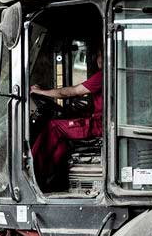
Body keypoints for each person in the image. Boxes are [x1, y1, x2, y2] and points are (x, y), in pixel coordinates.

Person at [30, 49, 103, 187]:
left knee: (54, 127)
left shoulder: (103, 76)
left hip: (99, 126)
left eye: (102, 55)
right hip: (99, 123)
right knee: (61, 142)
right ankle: (48, 178)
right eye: (98, 54)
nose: (98, 59)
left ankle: (30, 173)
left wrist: (41, 92)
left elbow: (72, 92)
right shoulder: (107, 76)